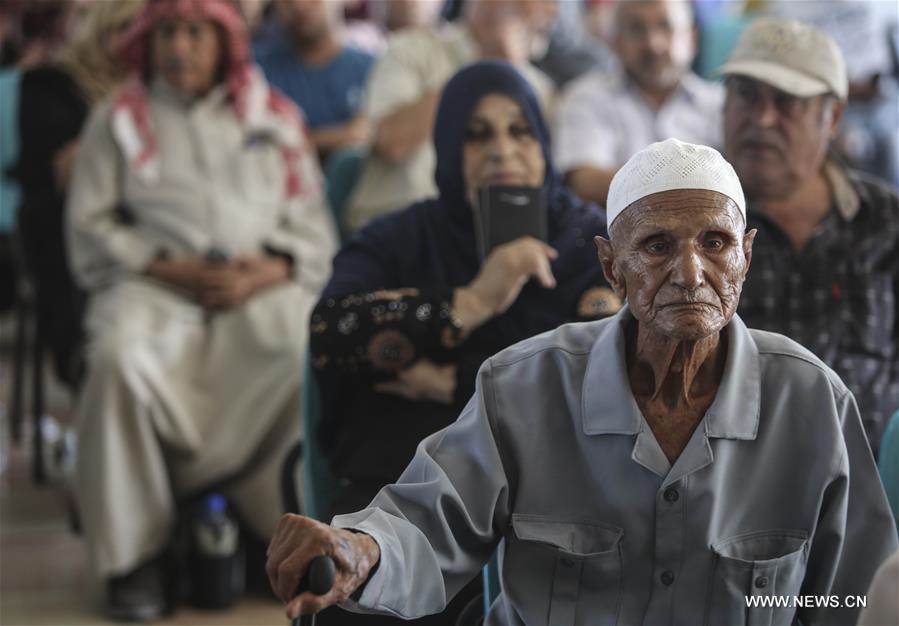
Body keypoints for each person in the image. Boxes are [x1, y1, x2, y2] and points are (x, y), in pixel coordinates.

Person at [267, 138, 898, 625]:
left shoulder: (812, 400)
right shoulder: (522, 389)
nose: (689, 272)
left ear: (747, 255)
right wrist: (360, 551)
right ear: (610, 266)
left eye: (715, 242)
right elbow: (427, 522)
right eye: (656, 246)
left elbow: (854, 596)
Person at [304, 60, 619, 624]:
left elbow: (611, 361)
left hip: (558, 500)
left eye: (519, 130)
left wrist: (458, 376)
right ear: (448, 150)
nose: (501, 150)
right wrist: (469, 302)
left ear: (545, 144)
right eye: (476, 135)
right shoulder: (400, 237)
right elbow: (332, 332)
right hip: (397, 490)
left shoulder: (589, 242)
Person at [65, 0, 337, 620]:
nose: (179, 47)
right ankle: (135, 557)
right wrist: (165, 265)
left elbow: (314, 232)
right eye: (167, 32)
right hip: (155, 288)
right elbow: (90, 227)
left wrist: (266, 268)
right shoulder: (119, 120)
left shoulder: (273, 118)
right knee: (118, 357)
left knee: (305, 346)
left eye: (194, 32)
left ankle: (284, 536)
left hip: (258, 287)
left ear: (224, 43)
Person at [721, 17, 899, 456]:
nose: (762, 118)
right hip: (729, 490)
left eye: (787, 102)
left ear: (833, 116)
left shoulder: (885, 221)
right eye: (746, 94)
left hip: (869, 483)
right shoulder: (687, 227)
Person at [15, 0, 145, 388]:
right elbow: (68, 174)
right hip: (72, 236)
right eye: (122, 30)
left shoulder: (166, 90)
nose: (131, 45)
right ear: (99, 30)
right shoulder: (50, 85)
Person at [344, 0, 558, 232]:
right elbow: (390, 142)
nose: (552, 11)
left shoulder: (541, 87)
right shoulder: (411, 49)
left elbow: (546, 187)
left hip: (498, 235)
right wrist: (486, 66)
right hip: (400, 236)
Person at [554, 0, 723, 206]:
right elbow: (584, 180)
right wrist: (691, 190)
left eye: (665, 26)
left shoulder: (719, 105)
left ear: (692, 38)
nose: (653, 44)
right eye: (636, 29)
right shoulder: (585, 98)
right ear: (614, 41)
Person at [256, 0, 376, 161]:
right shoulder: (256, 72)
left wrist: (298, 141)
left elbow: (369, 135)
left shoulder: (372, 68)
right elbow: (259, 144)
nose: (299, 5)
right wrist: (344, 135)